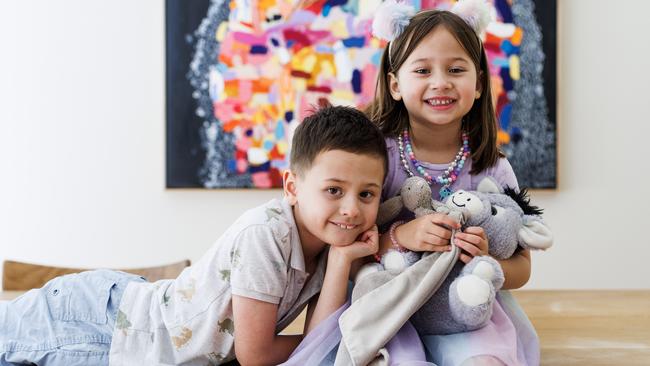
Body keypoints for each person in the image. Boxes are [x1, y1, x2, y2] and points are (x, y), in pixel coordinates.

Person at [0, 105, 388, 365]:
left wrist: (340, 262)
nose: (352, 208)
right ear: (292, 187)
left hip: (128, 324)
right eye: (334, 190)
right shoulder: (267, 234)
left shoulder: (330, 246)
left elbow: (313, 344)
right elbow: (258, 356)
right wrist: (333, 341)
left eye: (366, 194)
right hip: (109, 330)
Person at [366, 1, 540, 365]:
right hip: (390, 306)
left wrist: (487, 259)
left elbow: (522, 269)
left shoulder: (492, 166)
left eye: (456, 69)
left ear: (478, 83)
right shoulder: (376, 157)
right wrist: (401, 238)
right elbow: (349, 249)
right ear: (396, 85)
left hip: (465, 309)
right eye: (423, 70)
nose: (440, 82)